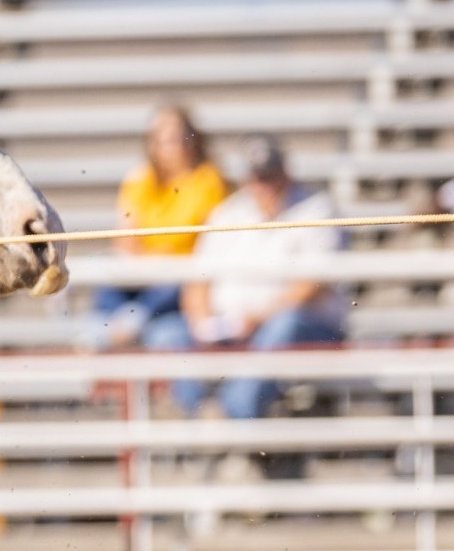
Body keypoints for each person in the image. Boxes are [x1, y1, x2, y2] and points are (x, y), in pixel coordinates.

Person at [142, 135, 347, 420]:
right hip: (232, 327)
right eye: (258, 177)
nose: (265, 185)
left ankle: (230, 421)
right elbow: (197, 281)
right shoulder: (228, 212)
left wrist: (255, 319)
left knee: (283, 327)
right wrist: (203, 323)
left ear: (286, 174)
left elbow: (312, 285)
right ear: (246, 180)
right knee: (166, 333)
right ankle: (202, 418)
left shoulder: (316, 209)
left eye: (271, 176)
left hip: (294, 324)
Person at [87, 105, 231, 351]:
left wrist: (160, 259)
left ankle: (126, 323)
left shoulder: (209, 181)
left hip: (182, 278)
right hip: (147, 271)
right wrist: (156, 258)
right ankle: (107, 325)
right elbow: (123, 240)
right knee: (106, 269)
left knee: (174, 280)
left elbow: (207, 246)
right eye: (166, 139)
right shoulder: (140, 180)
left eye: (179, 137)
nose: (175, 146)